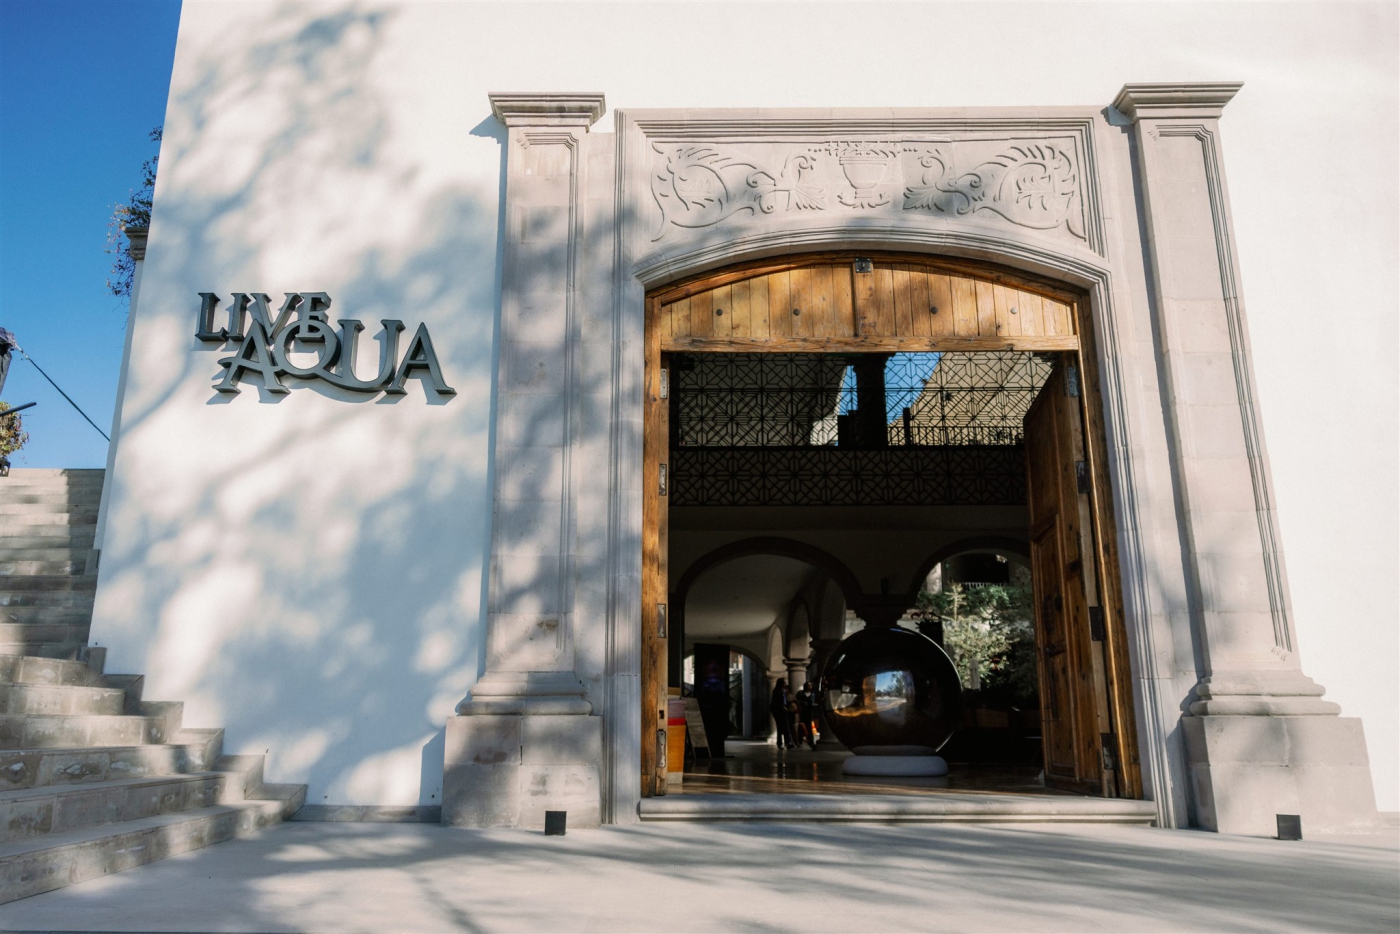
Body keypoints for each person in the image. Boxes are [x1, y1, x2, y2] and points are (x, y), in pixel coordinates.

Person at [769, 678, 796, 750]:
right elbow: (778, 702)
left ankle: (781, 743)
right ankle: (787, 743)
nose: (785, 683)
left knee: (781, 727)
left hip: (782, 710)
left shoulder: (783, 691)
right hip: (779, 711)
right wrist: (783, 707)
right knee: (784, 726)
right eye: (784, 682)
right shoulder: (777, 691)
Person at [797, 681, 820, 749]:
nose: (809, 686)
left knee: (810, 727)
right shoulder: (800, 693)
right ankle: (800, 740)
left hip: (810, 712)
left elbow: (815, 702)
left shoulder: (813, 694)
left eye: (810, 685)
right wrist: (802, 703)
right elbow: (796, 700)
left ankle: (811, 741)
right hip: (802, 712)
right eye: (808, 685)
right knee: (801, 726)